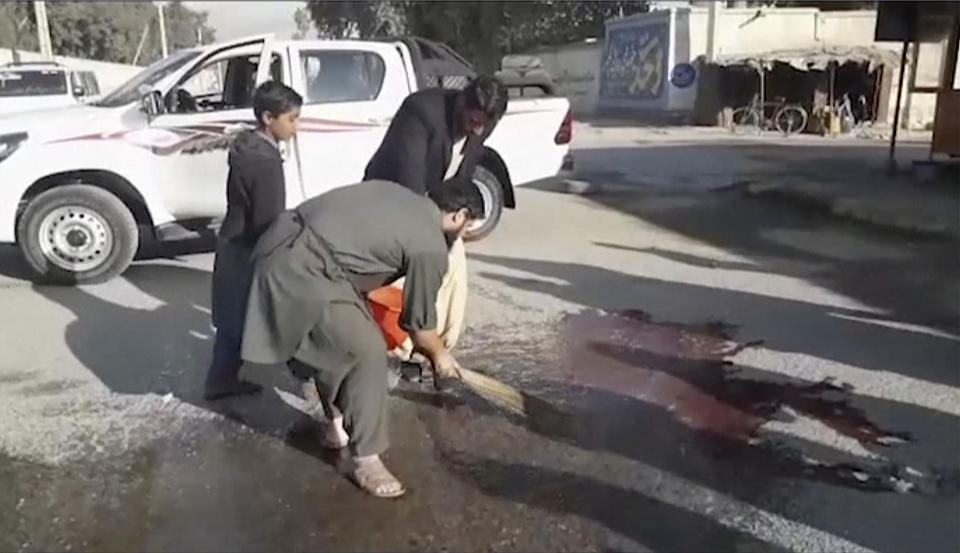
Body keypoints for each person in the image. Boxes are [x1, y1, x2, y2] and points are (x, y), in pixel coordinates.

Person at [240, 179, 483, 498]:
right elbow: (420, 327)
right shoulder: (430, 245)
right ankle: (367, 459)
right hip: (302, 269)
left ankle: (336, 425)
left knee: (336, 339)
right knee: (367, 348)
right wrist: (441, 357)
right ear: (459, 215)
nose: (464, 235)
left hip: (278, 244)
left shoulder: (399, 194)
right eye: (467, 227)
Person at [363, 75, 508, 378]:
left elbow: (465, 170)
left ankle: (437, 352)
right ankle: (402, 351)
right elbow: (409, 183)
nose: (477, 129)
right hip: (394, 201)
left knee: (455, 277)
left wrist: (461, 218)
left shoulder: (484, 121)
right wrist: (431, 235)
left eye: (484, 124)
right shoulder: (422, 112)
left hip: (444, 208)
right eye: (473, 120)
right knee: (411, 278)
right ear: (463, 103)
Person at [203, 81, 302, 401]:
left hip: (234, 241)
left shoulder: (249, 147)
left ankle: (222, 380)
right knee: (266, 316)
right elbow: (269, 218)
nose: (296, 127)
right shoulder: (265, 161)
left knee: (234, 319)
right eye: (291, 119)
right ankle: (307, 380)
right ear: (267, 118)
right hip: (248, 247)